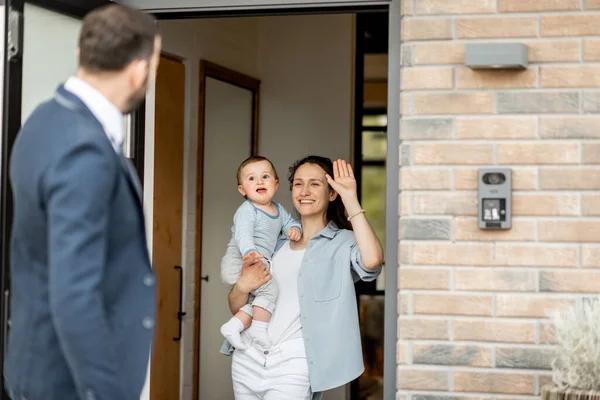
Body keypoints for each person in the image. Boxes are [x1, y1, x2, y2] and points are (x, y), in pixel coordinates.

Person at [4, 5, 161, 400]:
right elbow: (74, 292)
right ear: (139, 69)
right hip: (69, 383)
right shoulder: (84, 149)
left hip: (37, 368)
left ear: (82, 56)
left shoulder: (43, 119)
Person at [220, 155, 384, 400]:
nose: (305, 191)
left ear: (331, 193)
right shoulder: (275, 242)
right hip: (249, 356)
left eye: (315, 184)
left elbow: (372, 261)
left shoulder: (342, 243)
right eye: (298, 183)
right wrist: (242, 286)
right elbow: (237, 306)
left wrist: (350, 198)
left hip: (294, 361)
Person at [220, 156, 302, 350]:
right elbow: (243, 234)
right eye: (251, 178)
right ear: (242, 190)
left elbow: (290, 222)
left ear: (276, 183)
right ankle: (258, 328)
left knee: (260, 300)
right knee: (270, 290)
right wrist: (250, 252)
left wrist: (295, 229)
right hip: (240, 261)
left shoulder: (279, 210)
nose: (259, 181)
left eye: (265, 176)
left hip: (254, 263)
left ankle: (234, 325)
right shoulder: (247, 210)